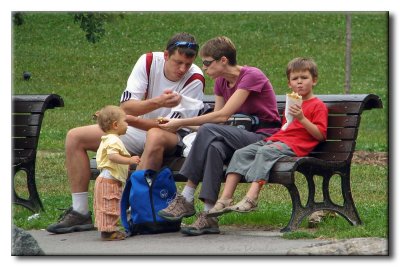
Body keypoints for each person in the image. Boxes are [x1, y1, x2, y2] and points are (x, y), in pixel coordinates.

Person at [46, 32, 205, 234]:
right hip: (134, 129)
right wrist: (158, 102)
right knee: (75, 137)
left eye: (187, 64)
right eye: (178, 62)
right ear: (166, 55)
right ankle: (80, 212)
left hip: (171, 135)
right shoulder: (148, 62)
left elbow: (170, 125)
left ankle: (135, 211)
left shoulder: (195, 78)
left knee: (155, 134)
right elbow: (127, 106)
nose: (182, 69)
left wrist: (135, 120)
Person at [157, 36, 281, 236]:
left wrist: (180, 122)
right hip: (237, 136)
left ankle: (186, 197)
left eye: (207, 63)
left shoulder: (251, 75)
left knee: (208, 131)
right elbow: (218, 123)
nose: (204, 68)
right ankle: (209, 215)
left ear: (223, 60)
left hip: (263, 137)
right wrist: (179, 127)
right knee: (214, 146)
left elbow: (222, 115)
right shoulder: (221, 83)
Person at [206, 57, 328, 219]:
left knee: (265, 152)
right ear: (289, 84)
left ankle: (251, 198)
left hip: (297, 146)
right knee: (241, 153)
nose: (299, 82)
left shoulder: (317, 105)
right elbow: (286, 129)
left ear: (314, 80)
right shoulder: (292, 103)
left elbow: (320, 135)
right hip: (278, 140)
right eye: (295, 79)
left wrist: (302, 118)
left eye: (304, 78)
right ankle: (225, 198)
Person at [93, 105, 140, 241]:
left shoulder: (110, 138)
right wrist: (129, 160)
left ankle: (109, 230)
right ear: (115, 125)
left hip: (109, 179)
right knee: (109, 205)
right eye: (125, 122)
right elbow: (112, 156)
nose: (127, 125)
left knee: (110, 205)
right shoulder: (113, 140)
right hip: (108, 180)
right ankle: (109, 233)